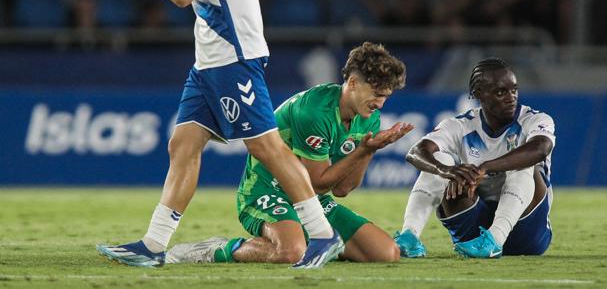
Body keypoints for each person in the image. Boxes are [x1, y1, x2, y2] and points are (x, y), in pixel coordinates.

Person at [96, 0, 343, 269]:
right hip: (209, 61)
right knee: (183, 144)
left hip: (233, 56)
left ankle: (322, 234)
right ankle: (154, 245)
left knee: (267, 147)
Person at [163, 42, 414, 266]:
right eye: (377, 95)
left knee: (386, 253)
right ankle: (218, 250)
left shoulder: (368, 116)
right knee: (291, 252)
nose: (381, 104)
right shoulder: (314, 112)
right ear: (353, 83)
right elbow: (318, 182)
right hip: (265, 192)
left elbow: (342, 189)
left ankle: (305, 236)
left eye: (386, 97)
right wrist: (362, 150)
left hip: (309, 199)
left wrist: (368, 151)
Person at [394, 57, 555, 259]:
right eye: (500, 92)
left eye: (514, 90)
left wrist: (485, 167)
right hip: (474, 228)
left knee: (523, 163)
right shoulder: (460, 125)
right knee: (442, 160)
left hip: (527, 231)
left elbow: (541, 148)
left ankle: (495, 240)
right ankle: (409, 236)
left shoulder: (534, 119)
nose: (511, 97)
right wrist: (447, 171)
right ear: (479, 94)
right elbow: (416, 152)